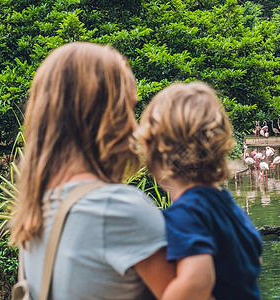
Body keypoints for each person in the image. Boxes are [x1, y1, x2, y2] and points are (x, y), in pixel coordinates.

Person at [9, 42, 175, 299]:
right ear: (104, 117)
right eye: (128, 109)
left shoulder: (35, 214)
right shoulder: (117, 209)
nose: (136, 127)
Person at [136, 82, 263, 300]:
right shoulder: (227, 205)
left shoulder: (187, 213)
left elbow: (197, 282)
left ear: (155, 152)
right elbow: (255, 259)